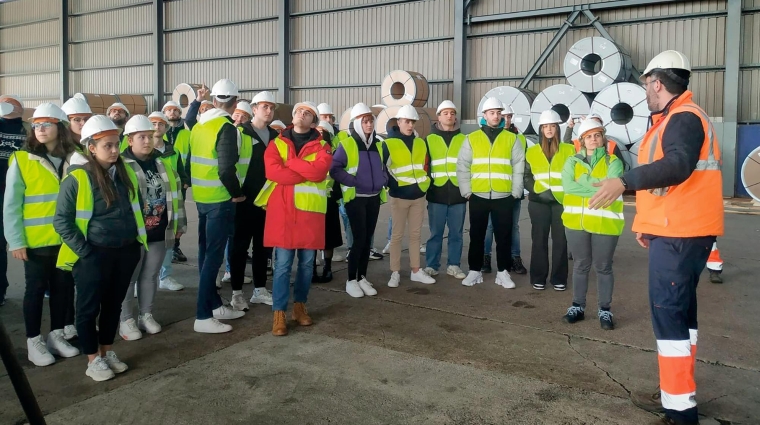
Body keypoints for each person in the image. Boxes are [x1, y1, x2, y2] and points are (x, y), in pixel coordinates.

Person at [592, 51, 724, 425]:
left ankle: (680, 411)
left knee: (669, 319)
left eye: (646, 85)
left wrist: (625, 182)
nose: (645, 92)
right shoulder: (679, 116)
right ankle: (678, 391)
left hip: (681, 235)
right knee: (681, 315)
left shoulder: (682, 119)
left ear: (656, 83)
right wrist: (649, 225)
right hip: (680, 231)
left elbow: (678, 166)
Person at [53, 115, 146, 381]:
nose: (115, 150)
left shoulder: (124, 173)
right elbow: (61, 220)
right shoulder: (78, 178)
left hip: (125, 251)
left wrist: (136, 243)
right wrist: (86, 252)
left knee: (113, 306)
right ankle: (92, 358)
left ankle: (106, 353)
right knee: (88, 308)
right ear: (91, 148)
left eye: (116, 144)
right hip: (94, 254)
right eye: (108, 145)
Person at [4, 104, 80, 366]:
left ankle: (57, 335)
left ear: (60, 127)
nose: (40, 129)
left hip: (68, 239)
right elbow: (11, 204)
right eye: (35, 125)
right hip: (36, 243)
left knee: (63, 288)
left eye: (46, 124)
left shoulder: (76, 157)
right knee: (35, 290)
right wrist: (16, 240)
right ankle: (34, 341)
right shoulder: (22, 160)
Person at [253, 101, 332, 336]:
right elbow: (273, 172)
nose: (302, 115)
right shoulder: (277, 143)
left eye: (308, 113)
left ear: (314, 122)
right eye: (299, 111)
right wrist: (304, 170)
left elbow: (319, 173)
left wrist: (292, 164)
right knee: (283, 266)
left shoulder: (323, 146)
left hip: (309, 215)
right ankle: (279, 313)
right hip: (284, 213)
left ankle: (299, 306)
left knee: (307, 265)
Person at [188, 78, 249, 334]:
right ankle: (203, 315)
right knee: (213, 258)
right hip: (219, 200)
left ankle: (213, 305)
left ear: (213, 100)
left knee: (205, 254)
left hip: (201, 198)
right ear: (235, 102)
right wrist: (237, 193)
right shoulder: (226, 129)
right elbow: (226, 169)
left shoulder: (199, 126)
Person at [118, 115, 186, 340]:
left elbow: (176, 195)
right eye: (141, 137)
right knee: (129, 276)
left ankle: (146, 315)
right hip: (133, 233)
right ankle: (126, 319)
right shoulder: (119, 166)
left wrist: (178, 223)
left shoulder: (162, 163)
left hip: (158, 230)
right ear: (130, 140)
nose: (147, 141)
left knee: (150, 275)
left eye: (149, 136)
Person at [560, 118, 624, 330]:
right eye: (589, 136)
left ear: (603, 138)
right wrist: (598, 189)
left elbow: (612, 189)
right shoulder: (571, 161)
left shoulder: (613, 162)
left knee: (603, 267)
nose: (594, 140)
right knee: (580, 265)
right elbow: (568, 187)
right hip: (575, 223)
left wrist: (583, 185)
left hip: (605, 224)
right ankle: (577, 306)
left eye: (597, 135)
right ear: (582, 140)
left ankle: (605, 309)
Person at [457, 97, 525, 288]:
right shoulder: (471, 138)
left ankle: (503, 272)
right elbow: (463, 165)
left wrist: (515, 192)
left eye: (498, 112)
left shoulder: (511, 138)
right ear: (484, 116)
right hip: (477, 195)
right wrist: (467, 191)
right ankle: (474, 271)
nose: (495, 116)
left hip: (504, 196)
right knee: (476, 235)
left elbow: (519, 166)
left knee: (504, 236)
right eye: (492, 112)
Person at [330, 103, 387, 297]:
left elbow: (384, 167)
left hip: (373, 198)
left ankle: (362, 277)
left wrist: (382, 180)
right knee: (359, 240)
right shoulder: (347, 144)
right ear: (356, 123)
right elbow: (334, 168)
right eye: (365, 121)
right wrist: (353, 181)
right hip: (356, 199)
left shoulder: (378, 145)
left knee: (367, 241)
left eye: (371, 120)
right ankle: (351, 279)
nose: (369, 124)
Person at [229, 91, 277, 307]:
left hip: (267, 202)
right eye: (264, 107)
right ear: (254, 109)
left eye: (271, 107)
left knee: (263, 247)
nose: (269, 111)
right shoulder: (240, 133)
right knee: (239, 247)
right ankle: (237, 293)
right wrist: (236, 193)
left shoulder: (277, 138)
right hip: (244, 201)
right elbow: (229, 165)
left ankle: (259, 289)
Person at [383, 105, 436, 288]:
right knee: (396, 236)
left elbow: (425, 166)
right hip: (399, 196)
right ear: (398, 122)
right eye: (407, 121)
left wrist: (425, 183)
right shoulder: (388, 143)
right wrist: (393, 184)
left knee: (415, 235)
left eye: (412, 122)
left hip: (418, 195)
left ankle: (415, 271)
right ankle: (395, 272)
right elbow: (383, 169)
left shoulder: (421, 142)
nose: (410, 125)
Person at [525, 110, 574, 291]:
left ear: (557, 128)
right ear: (540, 129)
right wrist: (538, 191)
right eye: (545, 126)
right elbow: (526, 176)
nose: (549, 129)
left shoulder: (569, 149)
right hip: (538, 202)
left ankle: (559, 278)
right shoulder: (532, 151)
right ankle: (538, 277)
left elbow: (574, 175)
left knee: (561, 241)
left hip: (561, 202)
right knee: (539, 240)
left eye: (552, 126)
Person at [422, 100, 467, 280]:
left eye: (452, 113)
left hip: (458, 194)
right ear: (438, 117)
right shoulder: (429, 140)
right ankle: (432, 265)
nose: (450, 116)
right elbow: (425, 166)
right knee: (435, 233)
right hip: (436, 193)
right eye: (446, 113)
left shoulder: (464, 139)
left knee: (456, 233)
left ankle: (454, 265)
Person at [482, 105, 528, 275]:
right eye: (504, 116)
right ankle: (485, 258)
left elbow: (523, 167)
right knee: (490, 226)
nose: (506, 119)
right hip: (493, 190)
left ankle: (515, 259)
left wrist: (518, 190)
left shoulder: (520, 139)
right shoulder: (490, 136)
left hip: (513, 192)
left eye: (509, 116)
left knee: (513, 227)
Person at [148, 111, 188, 292]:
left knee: (168, 238)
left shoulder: (173, 151)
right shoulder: (143, 149)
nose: (157, 127)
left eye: (161, 124)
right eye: (153, 124)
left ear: (166, 128)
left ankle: (165, 276)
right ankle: (144, 278)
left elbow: (181, 172)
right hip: (149, 201)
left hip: (169, 200)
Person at [219, 100, 255, 289]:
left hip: (236, 193)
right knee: (221, 237)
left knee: (232, 237)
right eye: (238, 114)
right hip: (225, 192)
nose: (239, 118)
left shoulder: (246, 136)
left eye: (244, 116)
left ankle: (229, 272)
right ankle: (223, 274)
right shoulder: (226, 131)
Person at [0, 96, 28, 306]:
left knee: (29, 243)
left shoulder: (29, 129)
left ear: (19, 108)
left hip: (25, 192)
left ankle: (42, 286)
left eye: (8, 102)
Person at [313, 120, 343, 284]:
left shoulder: (335, 153)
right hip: (311, 199)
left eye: (323, 131)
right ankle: (311, 268)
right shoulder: (308, 150)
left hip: (329, 200)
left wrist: (335, 194)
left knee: (328, 238)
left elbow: (337, 176)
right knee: (311, 236)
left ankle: (327, 267)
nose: (320, 134)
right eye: (318, 130)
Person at [161, 100, 191, 263]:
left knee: (177, 216)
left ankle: (174, 247)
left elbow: (191, 157)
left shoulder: (187, 134)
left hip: (180, 182)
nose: (172, 113)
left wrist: (187, 179)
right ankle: (163, 248)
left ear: (180, 114)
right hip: (161, 181)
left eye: (175, 110)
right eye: (168, 110)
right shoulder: (158, 133)